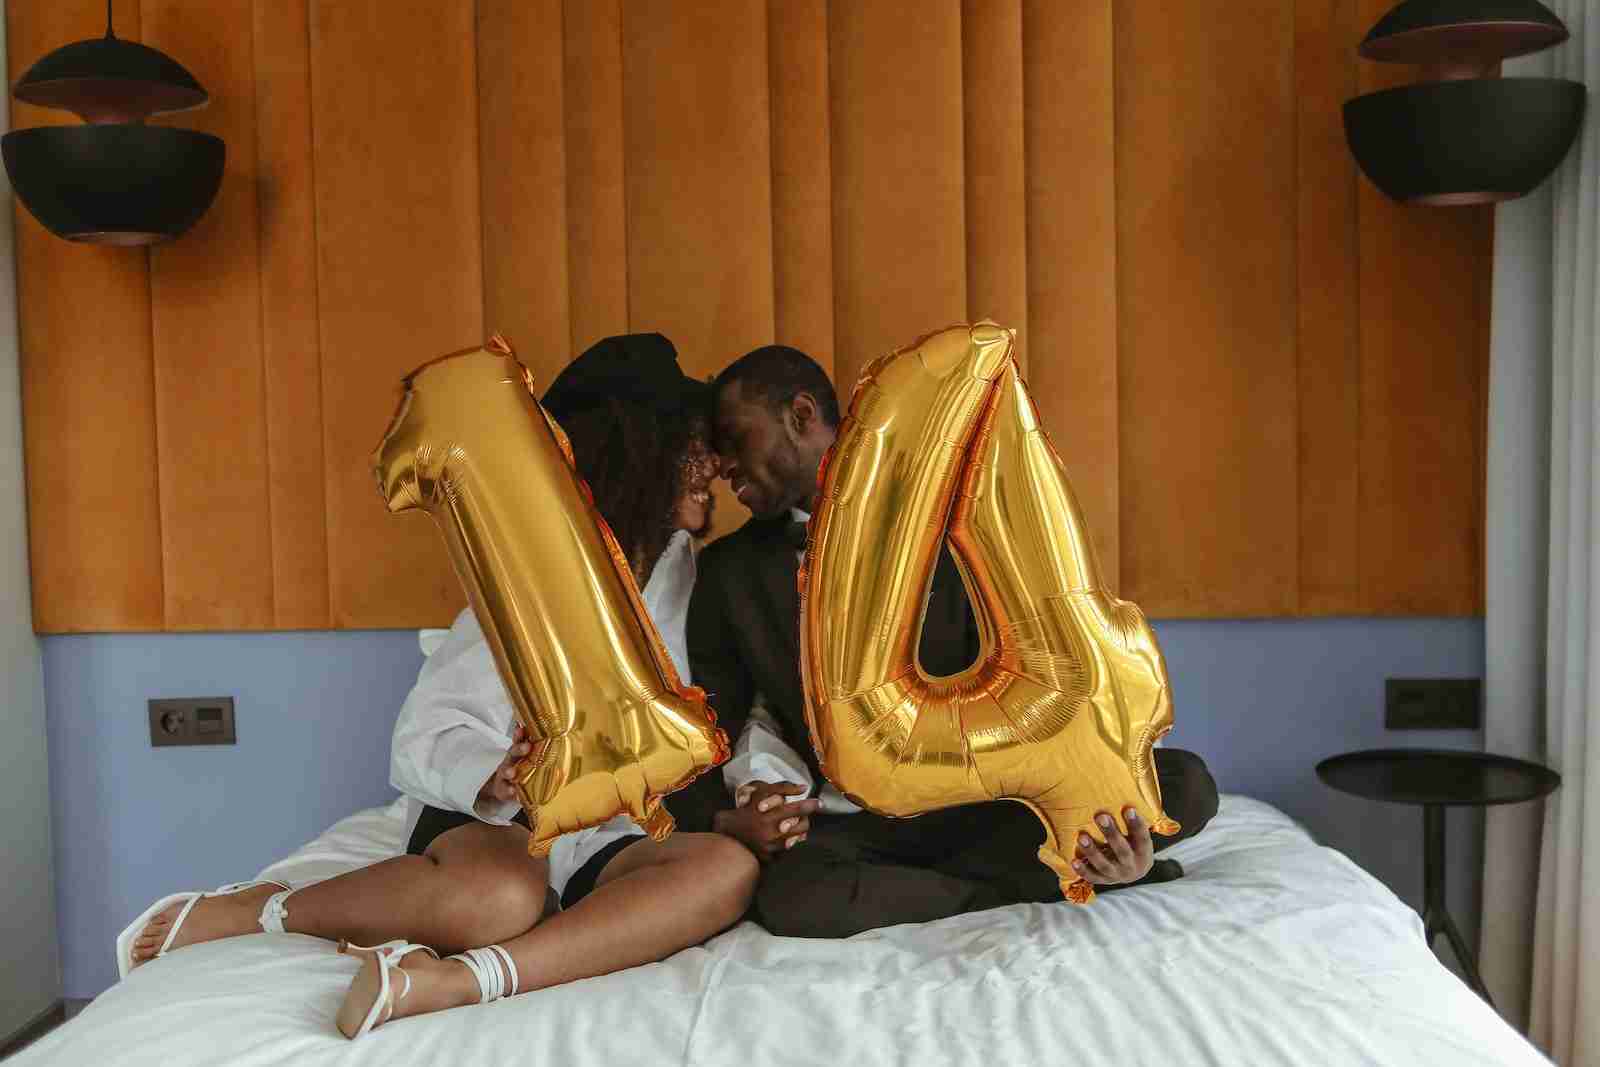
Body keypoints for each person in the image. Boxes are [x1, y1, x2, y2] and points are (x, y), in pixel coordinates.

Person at [119, 334, 758, 1037]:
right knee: (502, 897)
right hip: (499, 829)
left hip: (611, 835)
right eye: (694, 447)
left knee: (724, 869)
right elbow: (421, 735)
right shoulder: (530, 582)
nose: (715, 467)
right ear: (641, 450)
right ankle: (259, 908)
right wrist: (498, 775)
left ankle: (459, 980)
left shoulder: (701, 579)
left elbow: (732, 713)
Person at [680, 343, 1220, 939]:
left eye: (735, 439)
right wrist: (734, 817)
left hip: (990, 805)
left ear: (801, 415)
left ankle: (1040, 874)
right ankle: (1027, 888)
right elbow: (717, 725)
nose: (722, 466)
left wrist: (1103, 809)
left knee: (1184, 785)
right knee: (792, 898)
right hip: (857, 825)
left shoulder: (953, 519)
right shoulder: (728, 576)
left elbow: (1051, 671)